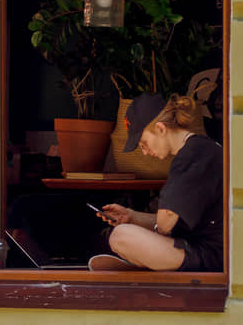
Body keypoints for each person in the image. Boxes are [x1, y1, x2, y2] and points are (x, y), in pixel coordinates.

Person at [92, 92, 223, 271]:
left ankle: (147, 265)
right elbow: (173, 219)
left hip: (208, 257)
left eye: (143, 143)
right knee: (126, 231)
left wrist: (146, 232)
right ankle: (148, 263)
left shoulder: (191, 155)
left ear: (161, 129)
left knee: (120, 236)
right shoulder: (201, 149)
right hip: (203, 251)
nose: (145, 152)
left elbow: (165, 222)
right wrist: (132, 216)